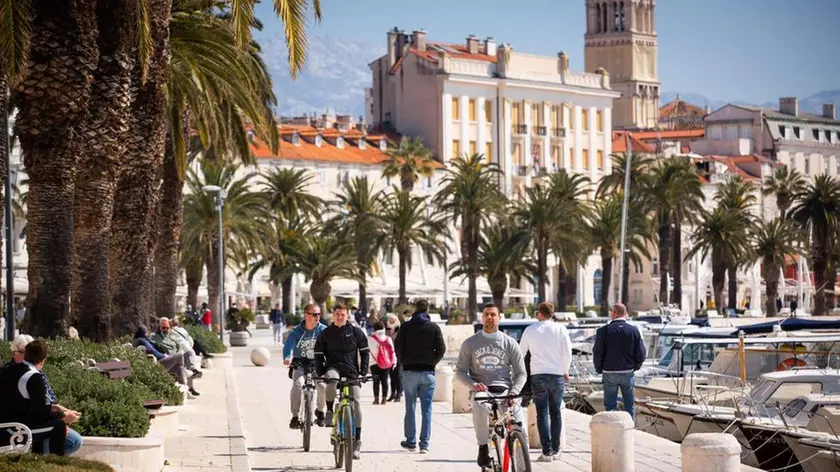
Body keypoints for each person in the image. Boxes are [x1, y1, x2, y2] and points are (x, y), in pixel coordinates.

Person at [457, 303, 527, 468]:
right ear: (482, 318)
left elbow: (521, 373)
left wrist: (514, 392)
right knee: (480, 404)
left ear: (499, 318)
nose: (489, 318)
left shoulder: (510, 343)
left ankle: (521, 460)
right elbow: (460, 372)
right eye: (486, 314)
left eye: (493, 315)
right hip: (483, 390)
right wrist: (474, 384)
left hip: (505, 390)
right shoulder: (470, 343)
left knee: (518, 420)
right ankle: (483, 447)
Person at [0, 340, 83, 455]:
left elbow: (22, 404)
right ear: (43, 361)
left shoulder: (9, 370)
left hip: (4, 426)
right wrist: (63, 416)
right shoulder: (34, 377)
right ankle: (53, 465)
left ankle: (37, 461)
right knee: (57, 426)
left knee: (45, 426)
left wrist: (54, 408)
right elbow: (40, 415)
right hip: (14, 431)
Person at [314, 302, 369, 460]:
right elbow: (318, 354)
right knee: (332, 379)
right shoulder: (326, 333)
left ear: (347, 315)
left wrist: (363, 372)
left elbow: (365, 352)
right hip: (333, 368)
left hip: (352, 372)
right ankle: (330, 411)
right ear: (333, 315)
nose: (339, 316)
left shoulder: (356, 332)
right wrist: (321, 371)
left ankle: (357, 441)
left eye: (342, 314)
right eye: (337, 314)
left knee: (357, 402)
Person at [519, 301, 572, 462]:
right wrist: (565, 369)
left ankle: (546, 452)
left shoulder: (530, 330)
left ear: (540, 314)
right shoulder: (561, 329)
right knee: (556, 413)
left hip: (538, 375)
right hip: (557, 375)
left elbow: (521, 352)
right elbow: (568, 351)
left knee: (541, 413)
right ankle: (556, 450)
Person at [395, 299, 446, 453]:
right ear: (427, 310)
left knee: (410, 407)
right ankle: (424, 444)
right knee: (427, 410)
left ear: (415, 309)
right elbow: (441, 349)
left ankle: (411, 442)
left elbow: (398, 348)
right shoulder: (434, 328)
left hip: (410, 372)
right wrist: (432, 363)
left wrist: (404, 361)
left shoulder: (405, 327)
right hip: (427, 373)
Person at [593, 303, 646, 419]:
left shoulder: (603, 331)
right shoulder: (633, 331)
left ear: (613, 313)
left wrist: (599, 368)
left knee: (610, 406)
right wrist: (635, 367)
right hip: (627, 372)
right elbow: (641, 353)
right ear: (625, 314)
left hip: (609, 372)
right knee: (629, 405)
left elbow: (597, 352)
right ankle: (630, 430)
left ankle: (611, 431)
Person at [283, 303, 327, 429]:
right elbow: (288, 345)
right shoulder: (296, 331)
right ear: (306, 315)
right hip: (300, 363)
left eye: (318, 314)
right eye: (314, 314)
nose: (317, 317)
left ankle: (319, 410)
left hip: (317, 363)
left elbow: (329, 345)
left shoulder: (323, 330)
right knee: (297, 385)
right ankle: (295, 416)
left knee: (323, 386)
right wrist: (286, 357)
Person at [134, 326, 201, 397]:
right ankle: (186, 372)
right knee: (180, 355)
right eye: (146, 331)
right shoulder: (142, 340)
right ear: (143, 332)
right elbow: (153, 352)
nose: (148, 333)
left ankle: (185, 390)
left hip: (159, 361)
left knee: (179, 367)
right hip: (159, 363)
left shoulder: (144, 339)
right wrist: (165, 356)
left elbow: (156, 348)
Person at [368, 321, 396, 405]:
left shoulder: (369, 339)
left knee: (375, 381)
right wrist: (393, 362)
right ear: (383, 328)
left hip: (374, 363)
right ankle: (384, 399)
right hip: (386, 363)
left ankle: (376, 399)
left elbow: (367, 352)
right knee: (384, 381)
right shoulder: (388, 339)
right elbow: (392, 351)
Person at [384, 314, 402, 402]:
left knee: (398, 375)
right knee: (391, 375)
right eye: (390, 320)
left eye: (393, 320)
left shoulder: (400, 330)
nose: (392, 322)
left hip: (398, 355)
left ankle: (399, 394)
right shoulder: (387, 331)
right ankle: (392, 393)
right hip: (389, 356)